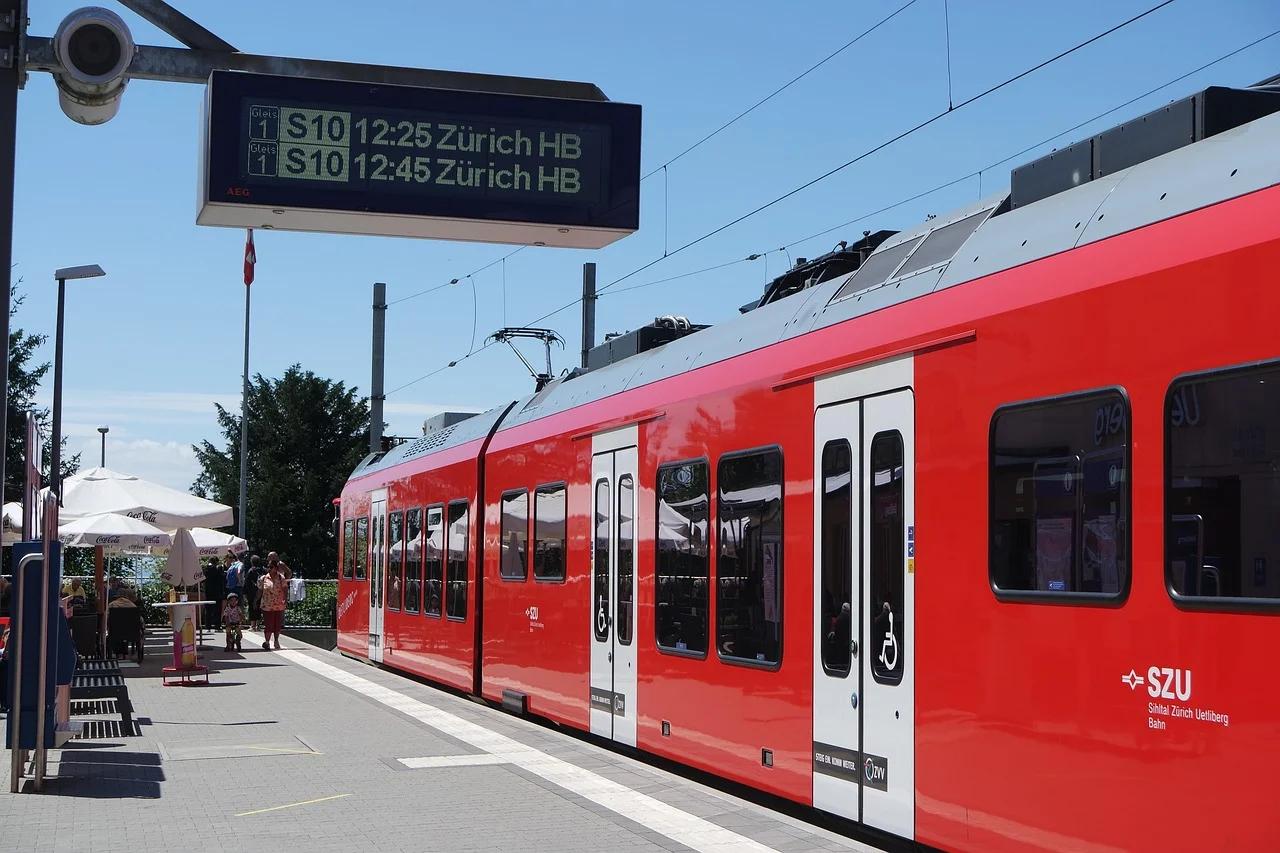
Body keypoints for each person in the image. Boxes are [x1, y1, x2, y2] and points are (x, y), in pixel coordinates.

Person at [257, 558, 290, 650]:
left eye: (271, 567)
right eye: (268, 567)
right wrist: (256, 600)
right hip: (267, 605)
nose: (269, 569)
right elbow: (260, 590)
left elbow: (285, 589)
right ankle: (267, 641)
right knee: (268, 624)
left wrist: (285, 600)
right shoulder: (263, 578)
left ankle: (276, 640)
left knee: (277, 624)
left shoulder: (281, 577)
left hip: (279, 604)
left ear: (276, 568)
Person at [244, 555, 266, 630]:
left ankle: (253, 625)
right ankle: (258, 625)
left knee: (252, 608)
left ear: (251, 562)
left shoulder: (250, 571)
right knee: (259, 607)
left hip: (251, 593)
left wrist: (245, 593)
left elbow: (247, 582)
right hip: (260, 591)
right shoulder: (262, 570)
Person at [203, 558, 225, 629]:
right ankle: (217, 625)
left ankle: (208, 625)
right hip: (217, 592)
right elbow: (222, 578)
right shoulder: (218, 569)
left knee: (208, 609)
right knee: (217, 609)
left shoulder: (206, 569)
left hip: (208, 592)